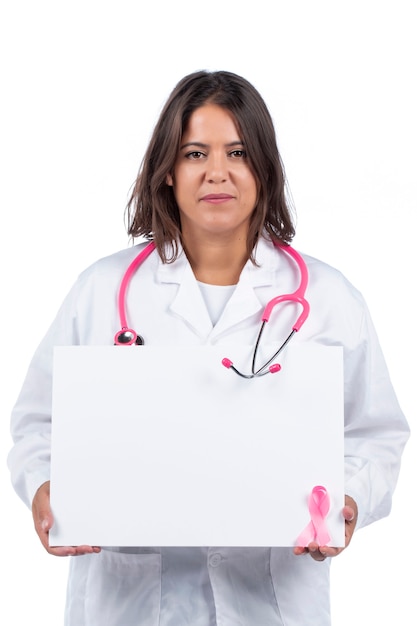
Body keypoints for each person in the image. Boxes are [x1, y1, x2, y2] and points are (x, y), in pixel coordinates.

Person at [8, 70, 409, 626]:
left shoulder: (328, 298)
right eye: (195, 152)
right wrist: (46, 489)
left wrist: (350, 500)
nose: (216, 172)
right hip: (128, 605)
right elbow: (37, 422)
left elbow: (376, 432)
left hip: (270, 602)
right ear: (167, 170)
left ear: (263, 168)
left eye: (238, 152)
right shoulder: (101, 290)